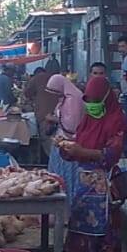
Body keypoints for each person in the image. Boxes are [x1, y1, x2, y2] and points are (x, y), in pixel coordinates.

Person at [57, 77, 127, 252]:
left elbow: (112, 154)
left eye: (97, 101)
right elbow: (77, 149)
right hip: (83, 185)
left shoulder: (116, 120)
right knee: (79, 226)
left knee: (102, 231)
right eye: (89, 101)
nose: (92, 106)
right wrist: (66, 147)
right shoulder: (87, 120)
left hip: (104, 185)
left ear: (106, 99)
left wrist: (82, 152)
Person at [43, 73, 85, 207]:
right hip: (60, 142)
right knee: (57, 176)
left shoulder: (74, 99)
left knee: (68, 178)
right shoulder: (64, 98)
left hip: (70, 144)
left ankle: (68, 207)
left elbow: (71, 125)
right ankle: (58, 207)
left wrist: (53, 119)